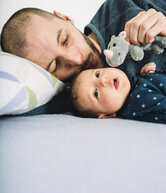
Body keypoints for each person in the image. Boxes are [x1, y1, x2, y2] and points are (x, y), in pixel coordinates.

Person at [1, 0, 166, 114]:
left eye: (65, 41)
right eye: (55, 66)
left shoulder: (126, 5)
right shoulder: (73, 97)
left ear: (65, 18)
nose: (76, 60)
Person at [70, 62, 166, 124]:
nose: (102, 80)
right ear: (108, 115)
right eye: (96, 93)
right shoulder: (139, 102)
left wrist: (149, 75)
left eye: (97, 74)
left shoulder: (134, 86)